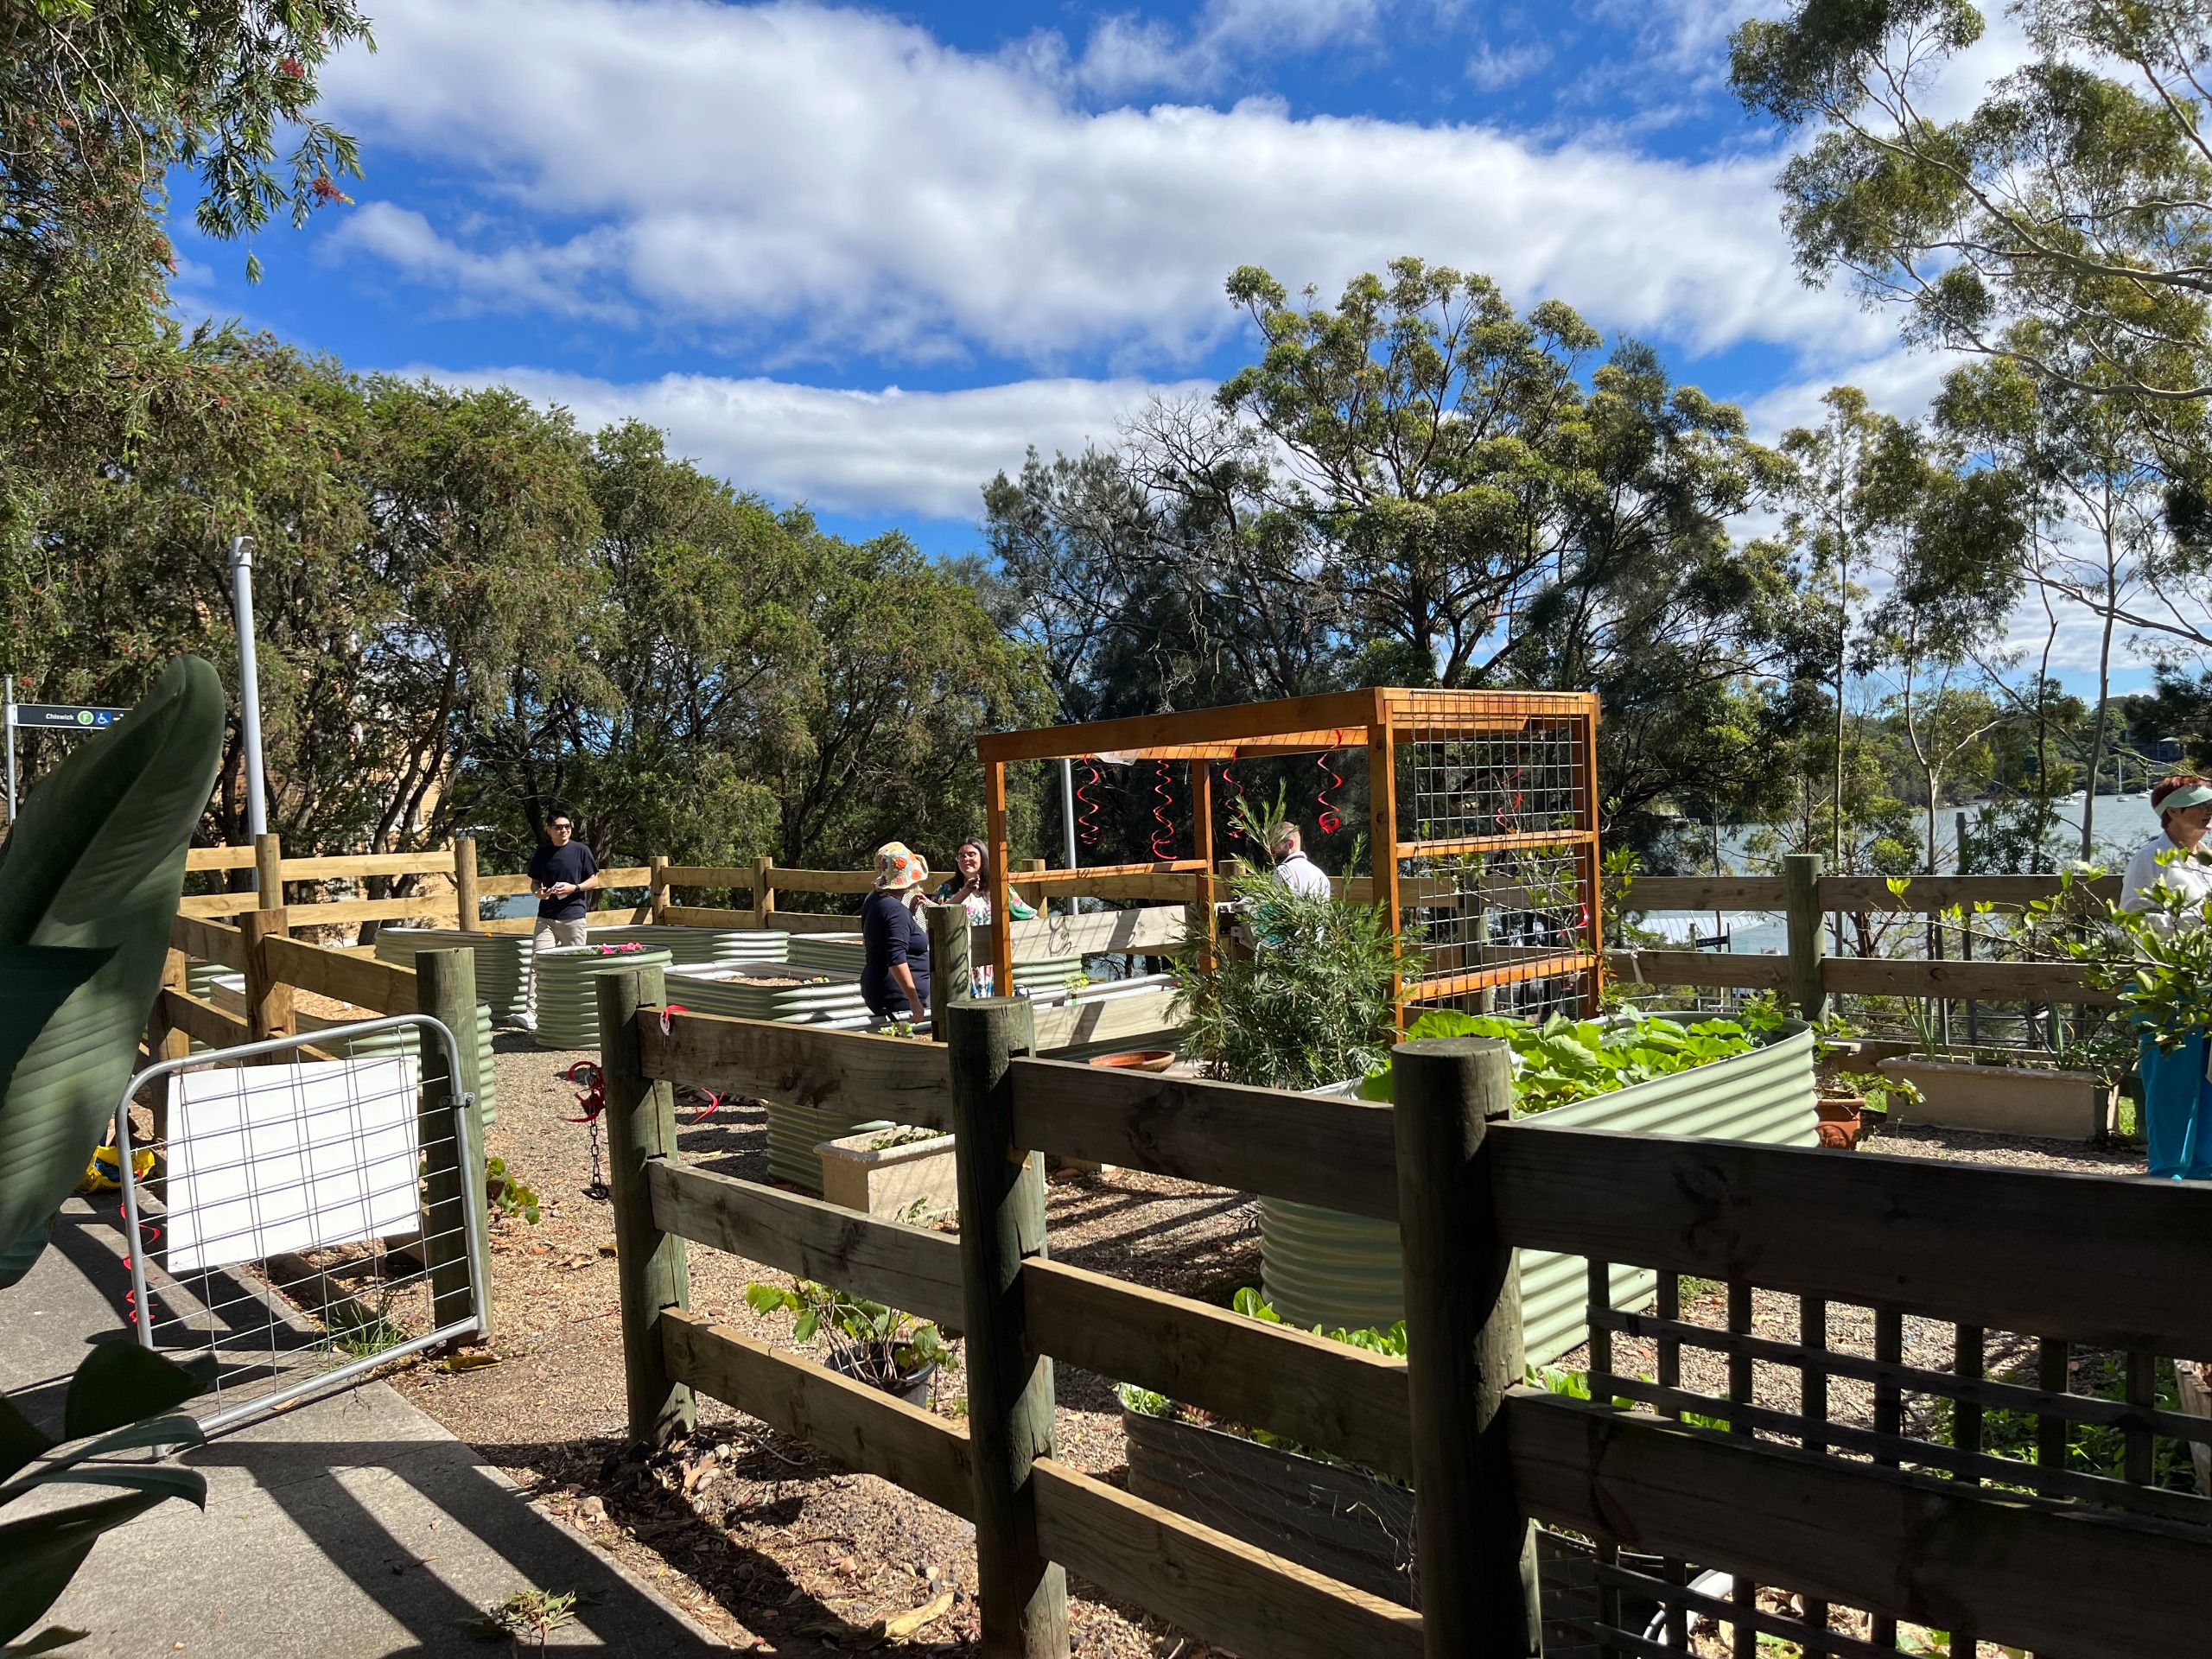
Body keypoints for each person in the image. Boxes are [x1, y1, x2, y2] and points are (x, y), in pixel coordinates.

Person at [2122, 774, 2212, 1179]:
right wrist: (2196, 918)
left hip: (2206, 983)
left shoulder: (2207, 860)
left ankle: (2204, 1170)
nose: (2208, 813)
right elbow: (2133, 919)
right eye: (2201, 805)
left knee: (2210, 1080)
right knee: (2172, 1082)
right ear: (2173, 811)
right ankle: (2168, 1173)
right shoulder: (2149, 858)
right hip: (2164, 986)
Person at [520, 810, 601, 1030]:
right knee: (539, 962)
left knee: (575, 964)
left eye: (567, 826)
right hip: (546, 917)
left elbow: (594, 880)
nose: (563, 830)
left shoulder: (581, 850)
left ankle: (576, 1010)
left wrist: (574, 887)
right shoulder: (542, 852)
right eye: (558, 827)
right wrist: (538, 893)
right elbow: (535, 882)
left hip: (573, 917)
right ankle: (532, 1013)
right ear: (549, 830)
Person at [861, 841, 932, 1023]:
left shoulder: (876, 900)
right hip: (899, 998)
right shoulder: (895, 910)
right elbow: (897, 959)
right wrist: (914, 1000)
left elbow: (885, 936)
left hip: (881, 989)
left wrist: (909, 915)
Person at [932, 838, 1036, 925]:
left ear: (983, 858)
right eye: (961, 856)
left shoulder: (1000, 888)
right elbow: (933, 919)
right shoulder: (945, 889)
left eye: (971, 854)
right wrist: (964, 892)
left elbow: (1028, 917)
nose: (966, 859)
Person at [1268, 820, 1332, 899]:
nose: (1271, 849)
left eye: (1275, 844)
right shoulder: (1321, 875)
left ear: (1289, 844)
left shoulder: (1283, 871)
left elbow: (1277, 903)